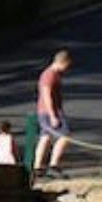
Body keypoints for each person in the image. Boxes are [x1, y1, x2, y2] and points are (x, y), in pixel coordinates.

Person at [33, 49, 72, 179]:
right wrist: (52, 115)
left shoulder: (54, 74)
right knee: (65, 136)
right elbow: (46, 95)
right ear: (62, 62)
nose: (67, 69)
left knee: (46, 137)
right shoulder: (49, 75)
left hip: (46, 111)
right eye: (67, 65)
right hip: (49, 111)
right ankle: (53, 165)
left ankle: (37, 167)